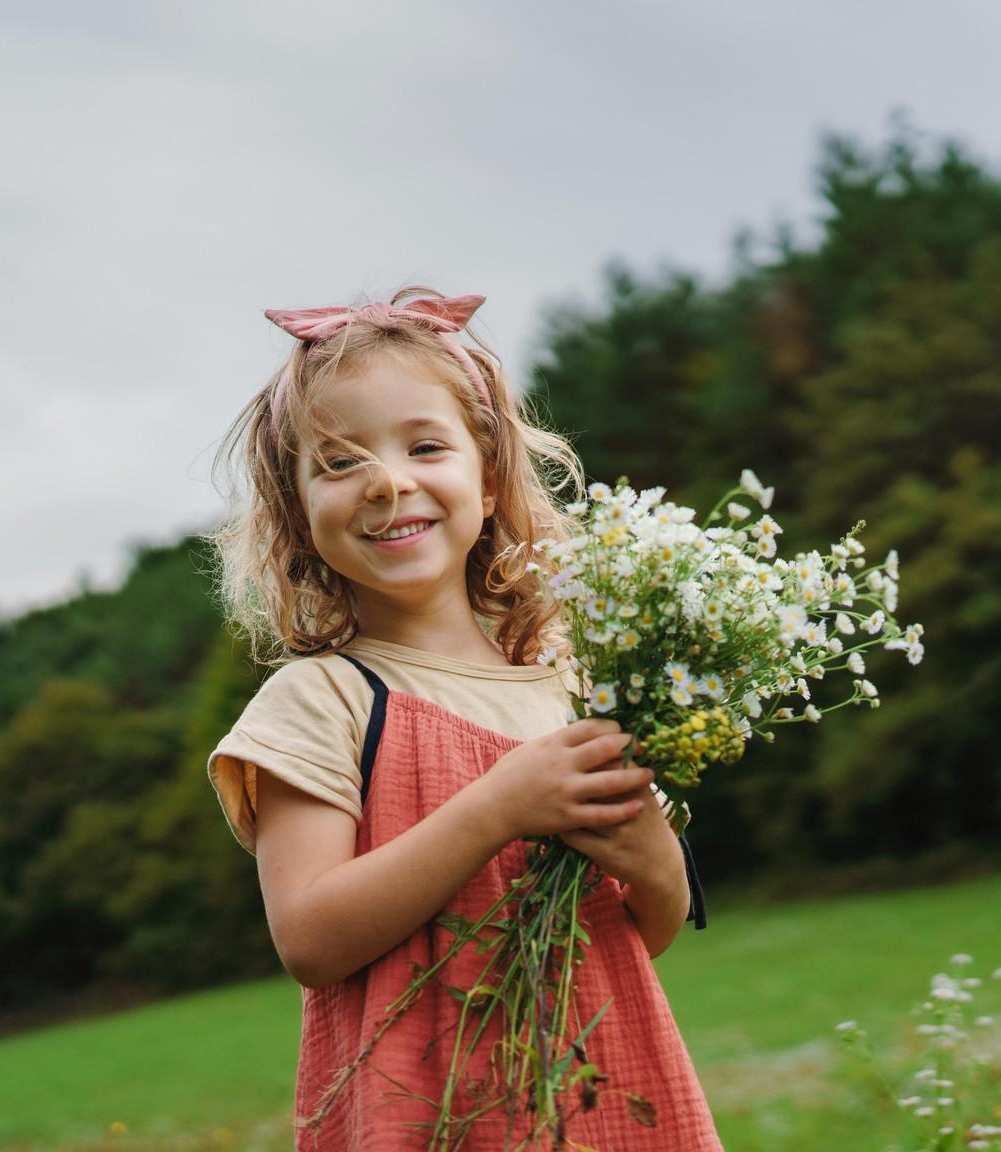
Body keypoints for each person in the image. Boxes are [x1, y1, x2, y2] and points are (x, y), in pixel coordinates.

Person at [202, 285, 720, 1150]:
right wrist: (498, 808)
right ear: (297, 514)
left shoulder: (572, 688)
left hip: (601, 1102)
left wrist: (659, 864)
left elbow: (638, 934)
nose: (387, 482)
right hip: (430, 1116)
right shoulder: (321, 700)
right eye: (337, 462)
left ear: (487, 481)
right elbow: (310, 938)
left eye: (425, 446)